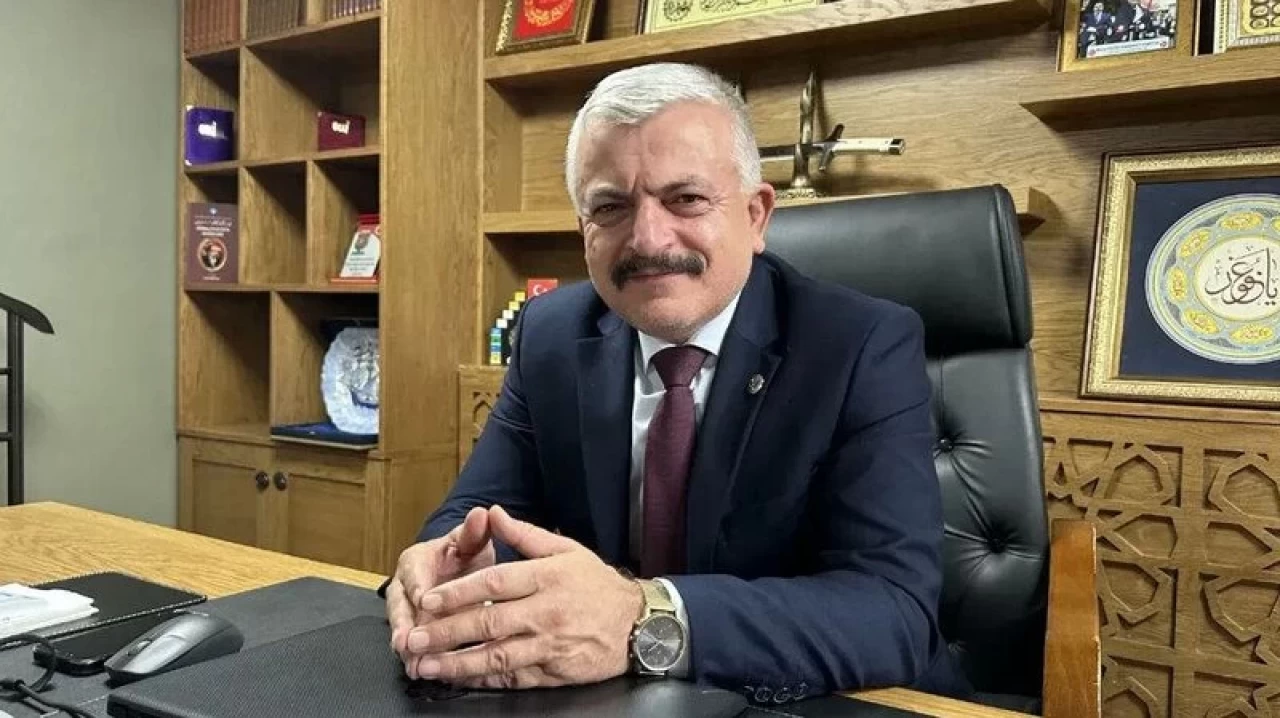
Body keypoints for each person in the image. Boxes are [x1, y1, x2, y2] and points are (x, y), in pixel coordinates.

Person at [383, 62, 970, 705]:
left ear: (756, 215)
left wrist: (642, 618)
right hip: (597, 698)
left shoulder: (861, 345)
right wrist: (446, 562)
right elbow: (477, 513)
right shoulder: (550, 333)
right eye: (611, 207)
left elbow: (892, 612)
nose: (647, 238)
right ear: (584, 230)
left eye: (686, 199)